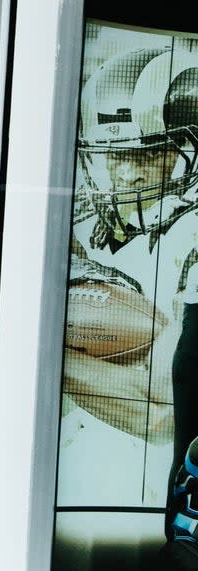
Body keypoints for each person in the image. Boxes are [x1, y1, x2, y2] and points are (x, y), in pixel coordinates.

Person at [59, 46, 198, 511]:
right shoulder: (79, 223)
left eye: (146, 154)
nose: (123, 173)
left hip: (149, 482)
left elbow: (164, 406)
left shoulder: (188, 236)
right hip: (79, 467)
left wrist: (57, 361)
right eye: (113, 154)